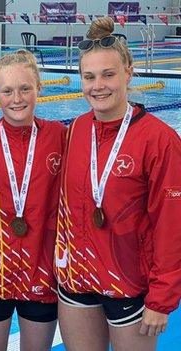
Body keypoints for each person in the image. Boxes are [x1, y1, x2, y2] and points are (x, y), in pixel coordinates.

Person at [56, 16, 181, 351]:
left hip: (130, 285)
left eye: (108, 74)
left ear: (128, 72)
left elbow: (171, 222)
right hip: (76, 281)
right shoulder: (76, 130)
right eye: (90, 76)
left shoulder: (160, 139)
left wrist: (161, 297)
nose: (99, 85)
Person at [0, 50, 65, 351]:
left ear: (39, 88)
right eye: (7, 90)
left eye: (25, 88)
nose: (17, 98)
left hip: (43, 269)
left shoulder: (61, 136)